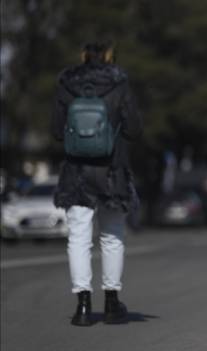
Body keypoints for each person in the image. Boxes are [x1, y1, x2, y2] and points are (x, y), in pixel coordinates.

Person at [51, 41, 142, 326]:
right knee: (112, 235)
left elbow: (55, 131)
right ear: (110, 56)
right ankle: (112, 304)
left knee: (78, 237)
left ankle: (82, 306)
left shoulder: (67, 84)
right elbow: (134, 129)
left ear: (83, 56)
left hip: (76, 171)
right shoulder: (120, 84)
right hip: (112, 170)